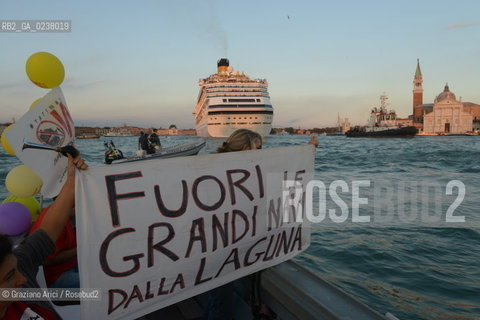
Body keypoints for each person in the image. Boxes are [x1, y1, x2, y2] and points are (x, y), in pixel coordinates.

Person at [0, 153, 88, 319]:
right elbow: (47, 258)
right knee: (98, 292)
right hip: (56, 287)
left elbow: (50, 228)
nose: (22, 279)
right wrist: (81, 248)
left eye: (16, 270)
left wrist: (71, 179)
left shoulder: (22, 266)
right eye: (9, 277)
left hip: (69, 269)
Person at [205, 129, 262, 320]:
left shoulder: (211, 168)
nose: (263, 152)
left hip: (218, 244)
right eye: (259, 148)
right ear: (246, 148)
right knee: (219, 301)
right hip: (221, 247)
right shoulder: (233, 174)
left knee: (218, 298)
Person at [29, 203, 78, 289]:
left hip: (68, 265)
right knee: (97, 282)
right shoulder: (54, 224)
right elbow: (46, 260)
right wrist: (78, 250)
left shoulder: (56, 211)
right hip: (54, 278)